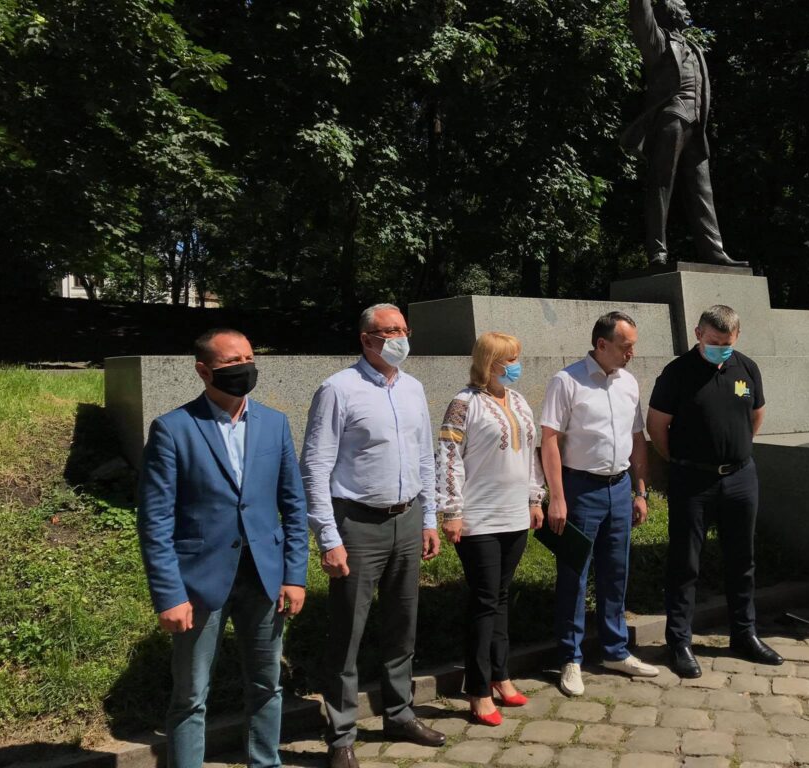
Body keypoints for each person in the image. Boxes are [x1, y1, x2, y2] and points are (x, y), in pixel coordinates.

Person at [137, 328, 309, 768]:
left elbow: (293, 503)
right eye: (232, 362)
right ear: (203, 371)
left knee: (267, 685)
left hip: (264, 577)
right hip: (199, 583)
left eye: (249, 358)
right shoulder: (173, 429)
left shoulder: (274, 423)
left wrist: (295, 574)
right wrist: (169, 595)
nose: (244, 368)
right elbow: (155, 520)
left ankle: (265, 763)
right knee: (191, 695)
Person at [300, 303, 445, 768]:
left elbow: (425, 456)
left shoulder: (414, 388)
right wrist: (328, 537)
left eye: (404, 329)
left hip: (407, 518)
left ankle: (399, 713)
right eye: (389, 331)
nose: (400, 339)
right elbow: (315, 467)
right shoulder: (338, 390)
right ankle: (341, 733)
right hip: (357, 523)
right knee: (349, 631)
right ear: (366, 340)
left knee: (403, 623)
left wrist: (429, 518)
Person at [647, 305, 784, 679]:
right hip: (693, 481)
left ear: (737, 337)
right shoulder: (677, 373)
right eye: (713, 341)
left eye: (727, 342)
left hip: (740, 478)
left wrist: (735, 450)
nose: (720, 348)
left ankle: (744, 634)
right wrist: (681, 460)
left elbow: (756, 414)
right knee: (685, 562)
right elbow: (657, 425)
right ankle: (679, 641)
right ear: (698, 334)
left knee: (742, 559)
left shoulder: (747, 368)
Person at [540, 311, 660, 697]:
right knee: (574, 575)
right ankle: (570, 657)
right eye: (626, 346)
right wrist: (557, 497)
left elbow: (637, 438)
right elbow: (549, 440)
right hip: (580, 489)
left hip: (619, 488)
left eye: (633, 346)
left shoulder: (629, 382)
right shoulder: (567, 381)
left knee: (616, 571)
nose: (631, 353)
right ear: (602, 344)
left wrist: (640, 490)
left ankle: (615, 649)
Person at [435, 332, 546, 726]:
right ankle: (478, 689)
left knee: (500, 597)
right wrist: (451, 510)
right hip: (478, 517)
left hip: (515, 514)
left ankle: (501, 674)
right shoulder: (464, 403)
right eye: (508, 359)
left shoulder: (518, 401)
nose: (515, 365)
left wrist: (535, 498)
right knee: (484, 600)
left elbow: (530, 455)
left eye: (517, 357)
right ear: (489, 362)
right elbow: (449, 457)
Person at [622, 0, 748, 268]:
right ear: (669, 11)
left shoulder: (694, 47)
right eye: (682, 5)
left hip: (696, 125)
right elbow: (641, 15)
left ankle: (714, 251)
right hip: (672, 117)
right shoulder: (658, 42)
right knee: (661, 184)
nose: (687, 10)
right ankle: (657, 252)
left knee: (703, 189)